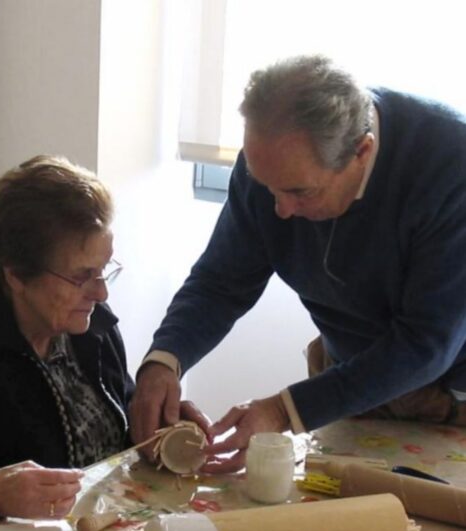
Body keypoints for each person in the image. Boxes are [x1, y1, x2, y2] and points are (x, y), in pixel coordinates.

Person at [130, 54, 466, 473]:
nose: (280, 210)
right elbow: (221, 281)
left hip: (451, 392)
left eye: (299, 192)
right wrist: (165, 359)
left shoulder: (450, 164)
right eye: (267, 187)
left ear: (362, 152)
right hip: (352, 377)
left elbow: (425, 343)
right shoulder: (271, 165)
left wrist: (285, 409)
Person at [0, 155, 135, 520]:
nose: (101, 293)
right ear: (16, 275)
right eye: (81, 276)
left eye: (104, 269)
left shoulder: (91, 324)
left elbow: (119, 406)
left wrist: (155, 420)